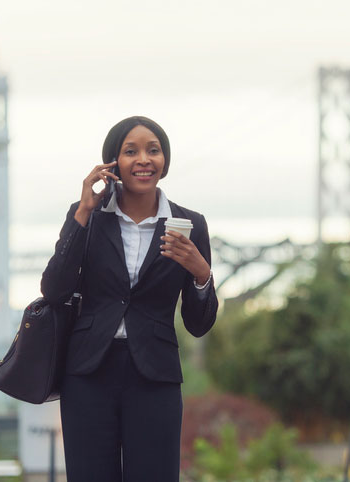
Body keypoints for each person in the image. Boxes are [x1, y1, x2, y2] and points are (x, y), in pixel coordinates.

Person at [40, 116, 218, 481]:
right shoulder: (87, 216)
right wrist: (84, 212)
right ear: (113, 163)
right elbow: (54, 289)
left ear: (164, 161)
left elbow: (198, 325)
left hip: (155, 376)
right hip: (89, 372)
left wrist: (201, 274)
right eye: (131, 151)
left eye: (153, 150)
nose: (143, 159)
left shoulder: (190, 224)